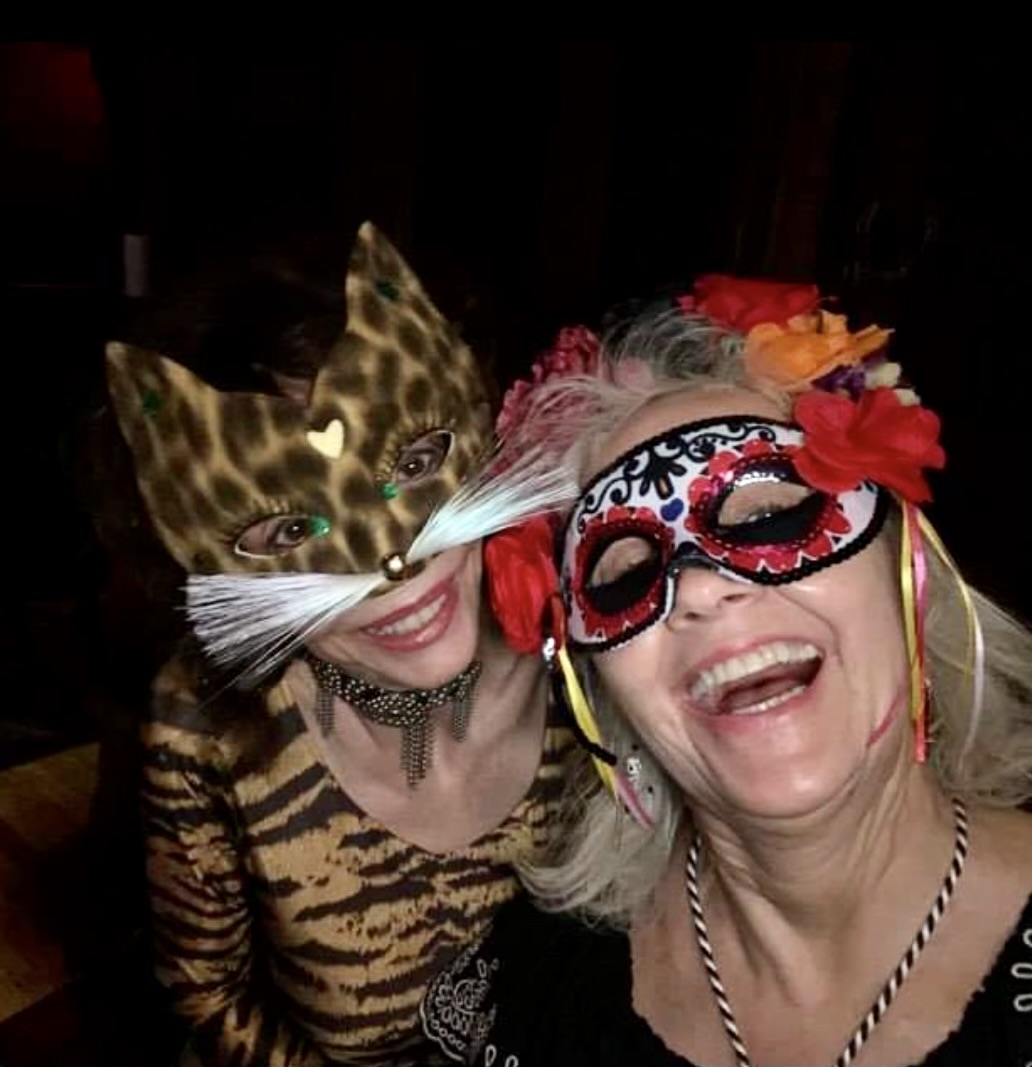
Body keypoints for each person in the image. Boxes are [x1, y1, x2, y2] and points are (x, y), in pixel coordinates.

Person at [422, 277, 1032, 1066]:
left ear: (905, 567)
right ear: (600, 685)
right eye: (623, 572)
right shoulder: (537, 996)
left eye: (770, 515)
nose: (703, 589)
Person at [103, 222, 579, 1066]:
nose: (392, 563)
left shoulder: (591, 649)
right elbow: (208, 996)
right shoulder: (209, 724)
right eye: (293, 527)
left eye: (417, 459)